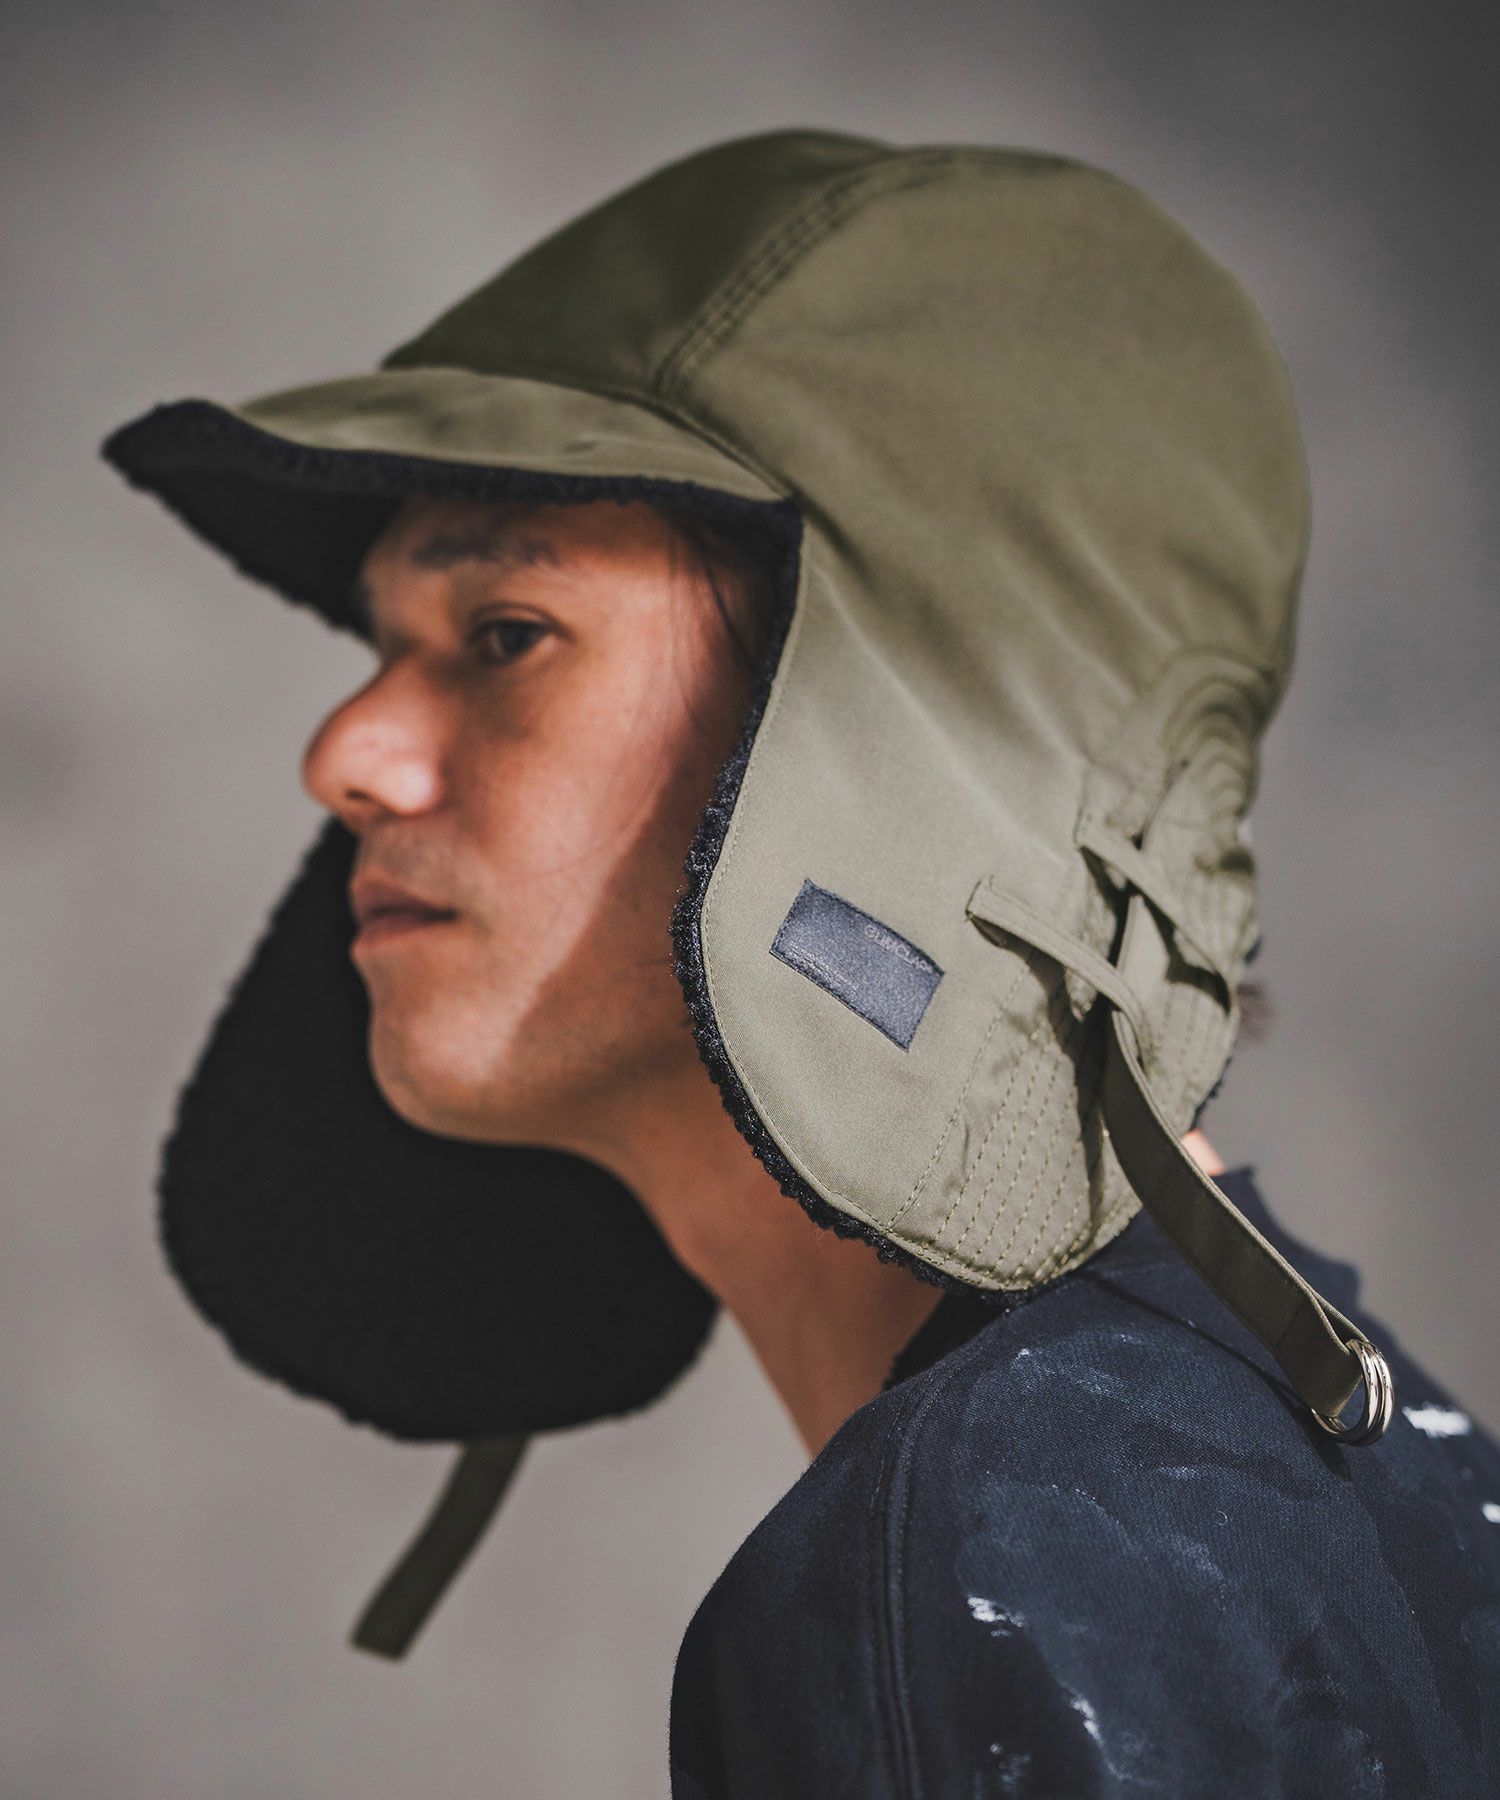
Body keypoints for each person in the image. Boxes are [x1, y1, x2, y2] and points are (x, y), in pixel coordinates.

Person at [101, 127, 1500, 1795]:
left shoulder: (1004, 1547)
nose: (345, 753)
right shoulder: (1286, 1473)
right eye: (385, 648)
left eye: (505, 636)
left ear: (896, 748)